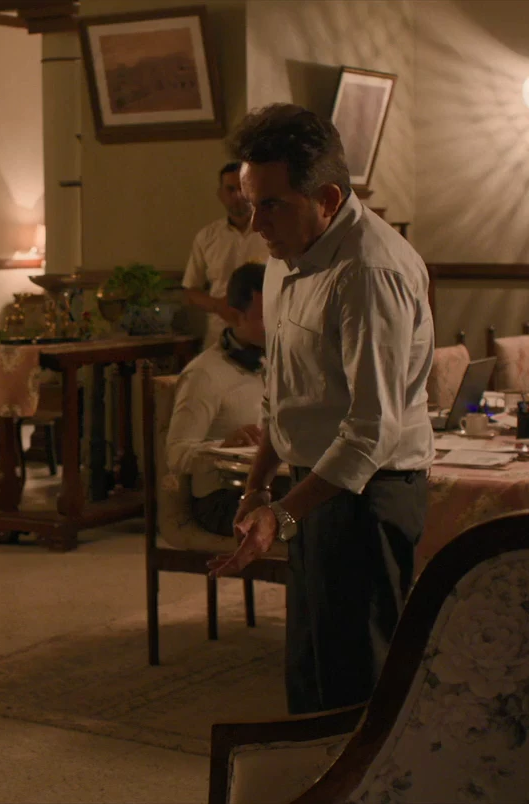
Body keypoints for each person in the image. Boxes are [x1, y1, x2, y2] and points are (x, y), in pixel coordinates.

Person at [208, 104, 435, 715]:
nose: (255, 223)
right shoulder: (285, 255)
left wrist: (282, 513)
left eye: (271, 205)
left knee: (356, 688)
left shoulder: (370, 271)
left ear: (328, 198)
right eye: (248, 204)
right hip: (311, 489)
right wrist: (257, 490)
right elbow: (283, 395)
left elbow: (370, 434)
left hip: (370, 497)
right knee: (309, 675)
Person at [166, 263, 276, 536]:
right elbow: (176, 454)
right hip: (222, 498)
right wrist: (222, 446)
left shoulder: (279, 361)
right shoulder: (204, 374)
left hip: (271, 485)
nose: (278, 324)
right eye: (266, 317)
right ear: (235, 316)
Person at [182, 162, 269, 349]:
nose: (237, 195)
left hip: (265, 336)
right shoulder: (206, 237)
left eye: (242, 187)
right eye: (230, 189)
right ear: (220, 194)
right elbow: (191, 290)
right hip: (219, 337)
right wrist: (218, 306)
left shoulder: (272, 231)